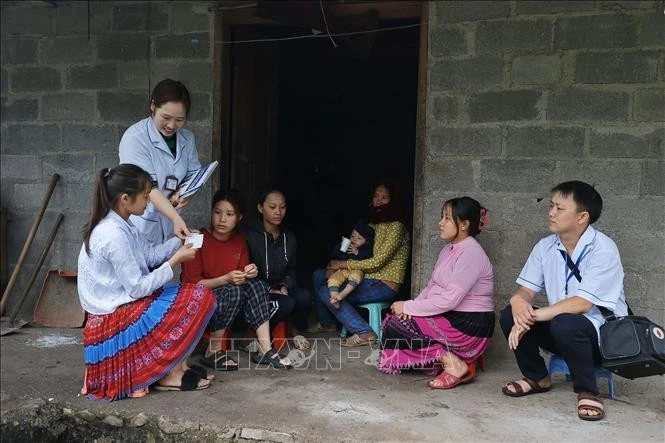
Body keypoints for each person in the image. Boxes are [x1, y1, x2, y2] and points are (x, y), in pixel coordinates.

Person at [78, 164, 217, 401]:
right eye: (145, 197)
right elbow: (138, 288)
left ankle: (176, 368)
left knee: (192, 294)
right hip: (113, 315)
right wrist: (176, 260)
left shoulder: (123, 223)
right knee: (195, 296)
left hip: (123, 302)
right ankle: (168, 375)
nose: (148, 202)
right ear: (125, 199)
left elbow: (149, 256)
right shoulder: (112, 233)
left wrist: (179, 241)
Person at [499, 181, 628, 422]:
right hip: (563, 332)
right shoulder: (545, 247)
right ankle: (537, 377)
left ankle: (588, 390)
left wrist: (531, 316)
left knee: (566, 322)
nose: (551, 213)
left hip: (601, 339)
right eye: (551, 206)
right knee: (509, 314)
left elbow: (582, 304)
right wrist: (518, 304)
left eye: (559, 208)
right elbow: (524, 291)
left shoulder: (603, 249)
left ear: (582, 217)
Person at [378, 197, 494, 390]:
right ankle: (439, 360)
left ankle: (454, 365)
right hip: (452, 316)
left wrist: (408, 307)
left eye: (447, 218)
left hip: (469, 324)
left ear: (464, 224)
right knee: (396, 322)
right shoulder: (448, 249)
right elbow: (432, 287)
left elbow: (450, 299)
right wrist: (410, 308)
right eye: (442, 217)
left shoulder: (471, 252)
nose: (440, 223)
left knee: (397, 326)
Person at [181, 189, 293, 369]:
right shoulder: (196, 239)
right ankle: (214, 350)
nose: (222, 219)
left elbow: (242, 279)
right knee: (232, 289)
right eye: (217, 212)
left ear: (239, 218)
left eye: (229, 214)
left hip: (232, 308)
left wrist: (250, 271)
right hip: (200, 305)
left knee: (257, 285)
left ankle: (265, 348)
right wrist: (226, 279)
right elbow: (192, 285)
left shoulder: (239, 241)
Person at [315, 179, 410, 346]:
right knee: (319, 275)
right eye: (376, 196)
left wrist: (343, 265)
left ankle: (364, 332)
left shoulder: (396, 227)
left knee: (325, 292)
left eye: (385, 198)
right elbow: (361, 254)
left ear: (394, 201)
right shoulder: (375, 225)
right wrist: (337, 265)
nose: (378, 201)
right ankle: (329, 323)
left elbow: (377, 262)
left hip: (384, 283)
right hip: (367, 278)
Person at [119, 78, 201, 245]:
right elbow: (148, 187)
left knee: (166, 266)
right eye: (166, 117)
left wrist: (185, 194)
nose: (172, 125)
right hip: (141, 221)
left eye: (180, 120)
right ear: (153, 106)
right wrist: (176, 218)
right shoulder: (135, 138)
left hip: (169, 222)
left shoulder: (187, 138)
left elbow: (194, 174)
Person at [241, 188, 313, 350]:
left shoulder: (289, 237)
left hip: (280, 288)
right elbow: (245, 269)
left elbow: (292, 269)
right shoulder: (249, 235)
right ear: (261, 208)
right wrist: (268, 289)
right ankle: (251, 333)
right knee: (285, 304)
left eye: (282, 207)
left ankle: (295, 331)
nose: (278, 212)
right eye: (272, 207)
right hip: (256, 290)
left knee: (304, 297)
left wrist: (284, 286)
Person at [328, 221, 375, 309]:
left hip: (356, 270)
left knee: (356, 276)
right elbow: (335, 256)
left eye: (359, 238)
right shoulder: (348, 246)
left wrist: (357, 252)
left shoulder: (367, 248)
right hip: (343, 270)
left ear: (366, 241)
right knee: (333, 279)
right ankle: (334, 298)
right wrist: (340, 246)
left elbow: (369, 258)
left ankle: (342, 294)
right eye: (353, 236)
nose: (354, 239)